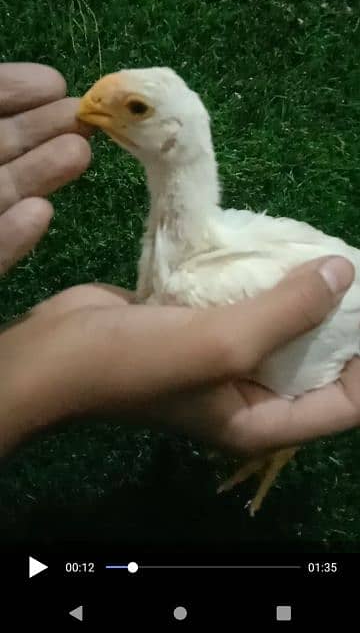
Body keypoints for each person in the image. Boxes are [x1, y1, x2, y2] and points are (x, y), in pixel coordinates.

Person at [0, 62, 359, 462]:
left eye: (136, 109)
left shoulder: (206, 291)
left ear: (174, 136)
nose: (95, 104)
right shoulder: (207, 249)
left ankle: (281, 452)